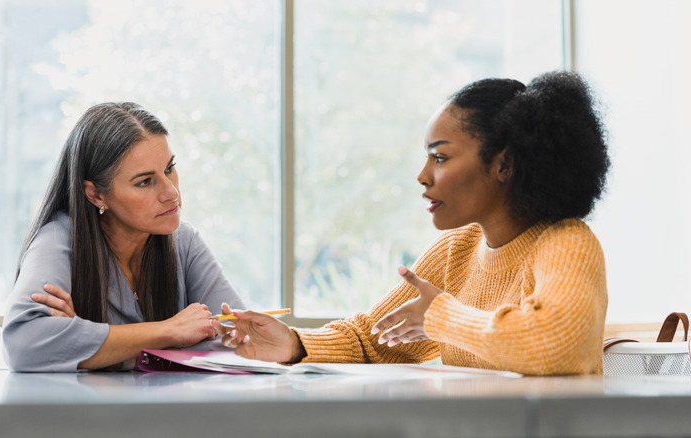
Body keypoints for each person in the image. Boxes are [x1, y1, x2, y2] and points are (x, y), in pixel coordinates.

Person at [215, 71, 610, 375]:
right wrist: (294, 343)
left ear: (504, 163)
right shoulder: (457, 250)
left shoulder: (567, 242)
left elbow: (554, 344)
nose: (423, 176)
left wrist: (440, 316)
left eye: (440, 158)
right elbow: (375, 339)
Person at [2, 102, 245, 372]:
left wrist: (87, 343)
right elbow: (23, 344)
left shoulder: (184, 241)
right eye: (144, 181)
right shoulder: (59, 240)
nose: (171, 193)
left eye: (169, 168)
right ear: (95, 194)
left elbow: (238, 340)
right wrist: (168, 331)